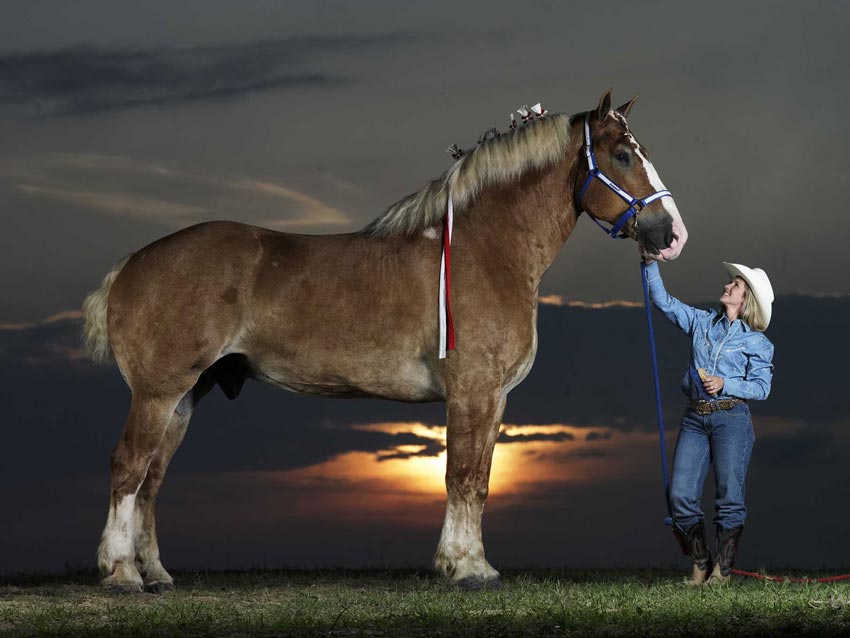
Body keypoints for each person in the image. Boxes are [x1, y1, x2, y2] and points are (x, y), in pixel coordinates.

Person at [643, 256, 774, 585]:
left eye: (736, 285)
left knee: (729, 497)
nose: (727, 285)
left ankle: (722, 572)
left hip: (733, 419)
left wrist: (725, 383)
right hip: (695, 418)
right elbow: (663, 301)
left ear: (746, 300)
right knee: (680, 496)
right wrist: (649, 264)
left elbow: (762, 388)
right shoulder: (701, 322)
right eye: (731, 282)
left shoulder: (757, 343)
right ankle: (701, 562)